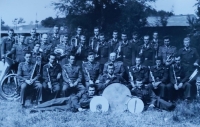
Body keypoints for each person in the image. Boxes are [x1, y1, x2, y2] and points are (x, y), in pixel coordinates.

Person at [30, 84, 97, 112]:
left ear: (95, 91)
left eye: (93, 90)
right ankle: (37, 106)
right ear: (88, 90)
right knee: (54, 101)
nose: (92, 92)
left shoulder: (95, 99)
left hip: (71, 107)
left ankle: (37, 110)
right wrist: (78, 107)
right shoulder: (83, 92)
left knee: (55, 108)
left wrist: (80, 108)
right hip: (69, 99)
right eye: (90, 90)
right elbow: (75, 97)